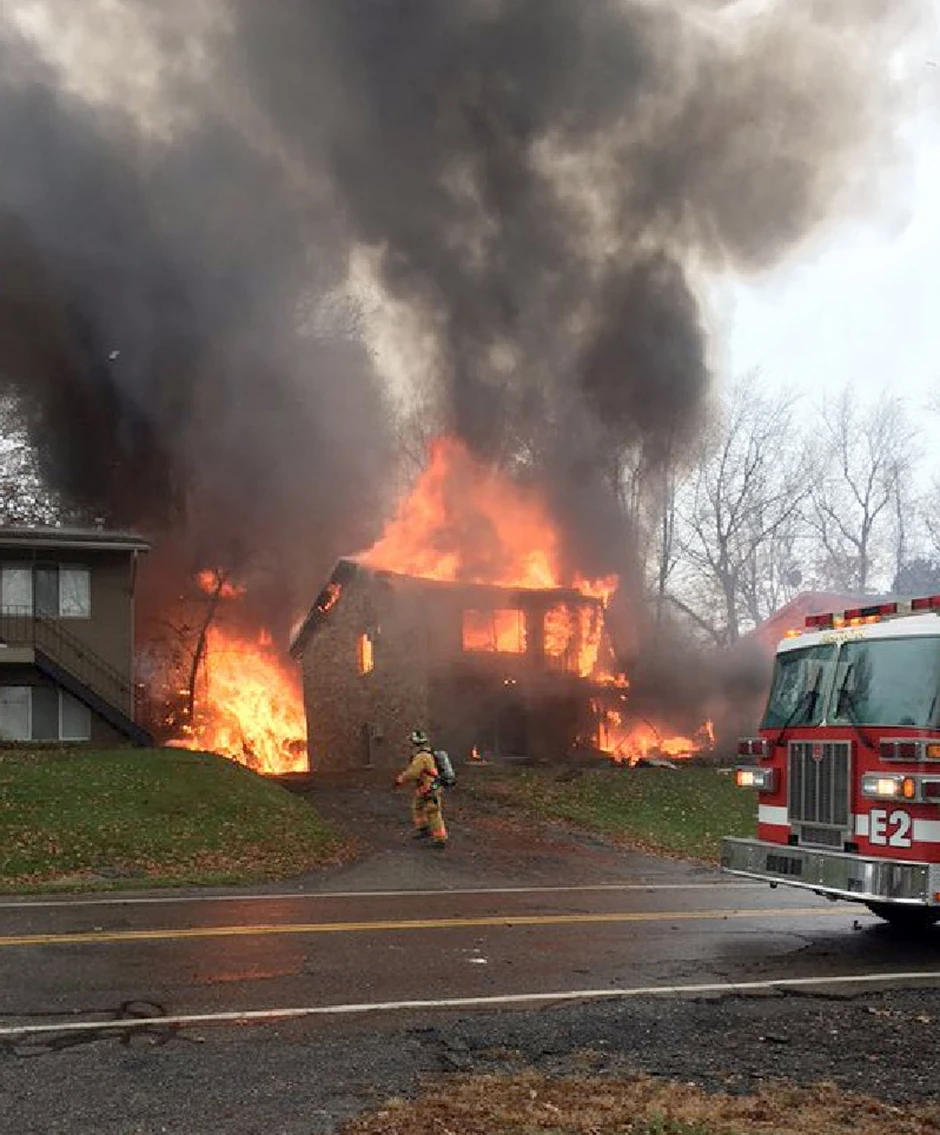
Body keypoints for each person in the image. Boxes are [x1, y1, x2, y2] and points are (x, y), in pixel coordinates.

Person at [393, 728, 447, 849]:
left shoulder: (422, 756)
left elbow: (413, 772)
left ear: (416, 743)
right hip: (425, 787)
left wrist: (400, 780)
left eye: (412, 742)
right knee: (417, 806)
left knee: (432, 811)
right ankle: (423, 829)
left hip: (430, 788)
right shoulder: (426, 753)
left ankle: (440, 840)